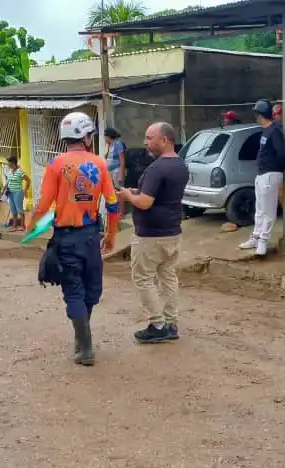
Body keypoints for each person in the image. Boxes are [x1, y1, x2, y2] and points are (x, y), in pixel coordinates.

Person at [27, 111, 120, 367]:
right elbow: (113, 205)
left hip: (66, 238)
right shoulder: (100, 164)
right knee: (92, 289)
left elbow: (44, 204)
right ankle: (83, 341)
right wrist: (111, 235)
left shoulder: (56, 165)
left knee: (75, 291)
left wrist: (31, 225)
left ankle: (84, 345)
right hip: (91, 237)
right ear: (87, 136)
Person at [117, 122, 189, 344]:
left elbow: (145, 203)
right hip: (172, 231)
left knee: (143, 278)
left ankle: (157, 325)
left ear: (164, 140)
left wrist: (128, 196)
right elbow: (159, 194)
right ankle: (171, 322)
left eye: (150, 138)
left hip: (151, 235)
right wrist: (137, 192)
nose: (145, 142)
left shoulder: (157, 168)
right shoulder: (180, 165)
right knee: (168, 276)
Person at [238, 99, 285, 256]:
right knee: (259, 209)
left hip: (270, 174)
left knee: (268, 210)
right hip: (262, 174)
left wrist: (278, 170)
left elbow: (282, 154)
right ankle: (256, 237)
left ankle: (263, 241)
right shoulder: (266, 130)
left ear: (260, 114)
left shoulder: (275, 131)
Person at [2, 156, 29, 231]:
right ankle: (15, 225)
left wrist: (25, 190)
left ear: (13, 162)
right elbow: (8, 182)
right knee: (13, 209)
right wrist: (3, 190)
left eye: (8, 162)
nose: (7, 164)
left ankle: (23, 226)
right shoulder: (9, 171)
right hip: (10, 192)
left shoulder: (20, 171)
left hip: (18, 192)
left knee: (19, 209)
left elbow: (28, 180)